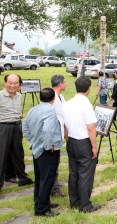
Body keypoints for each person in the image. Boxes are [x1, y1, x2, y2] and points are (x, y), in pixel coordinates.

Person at [63, 76, 101, 212]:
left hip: (71, 141)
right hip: (83, 142)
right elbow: (91, 127)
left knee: (73, 173)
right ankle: (85, 205)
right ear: (89, 88)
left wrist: (68, 139)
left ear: (75, 87)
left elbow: (65, 125)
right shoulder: (86, 104)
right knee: (85, 174)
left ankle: (74, 202)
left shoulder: (67, 103)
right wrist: (94, 147)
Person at [23, 88, 63, 217]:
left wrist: (32, 140)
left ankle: (40, 201)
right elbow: (47, 129)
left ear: (40, 98)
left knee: (40, 177)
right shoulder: (50, 111)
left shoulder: (33, 109)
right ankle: (42, 210)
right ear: (54, 99)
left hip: (37, 149)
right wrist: (48, 145)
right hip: (47, 150)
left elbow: (24, 125)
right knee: (47, 179)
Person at [0, 74, 34, 190]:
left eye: (15, 83)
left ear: (20, 85)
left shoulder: (19, 96)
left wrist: (18, 115)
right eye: (10, 82)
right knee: (2, 154)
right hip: (3, 126)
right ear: (5, 83)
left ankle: (21, 177)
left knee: (18, 153)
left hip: (16, 126)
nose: (12, 86)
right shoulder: (0, 95)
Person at [50, 75, 67, 198]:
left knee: (56, 162)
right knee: (52, 163)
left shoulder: (61, 97)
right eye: (65, 82)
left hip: (59, 134)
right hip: (52, 136)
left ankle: (54, 184)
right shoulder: (51, 97)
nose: (66, 84)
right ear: (60, 84)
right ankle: (54, 189)